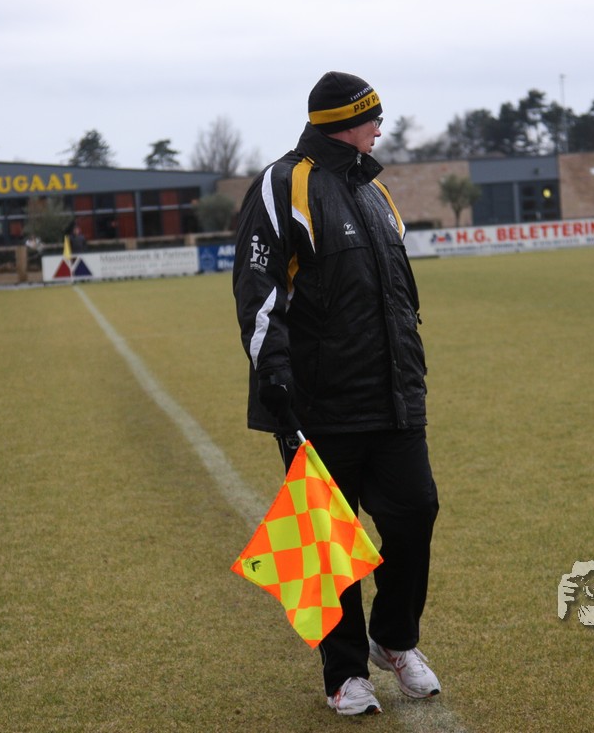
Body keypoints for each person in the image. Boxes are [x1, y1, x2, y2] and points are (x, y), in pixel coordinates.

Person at [232, 71, 441, 716]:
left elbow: (398, 296)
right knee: (327, 541)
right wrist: (274, 374)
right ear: (344, 121)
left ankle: (394, 639)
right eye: (373, 116)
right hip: (318, 404)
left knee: (416, 513)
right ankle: (344, 674)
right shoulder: (282, 183)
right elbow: (259, 288)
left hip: (394, 398)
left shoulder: (375, 189)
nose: (380, 126)